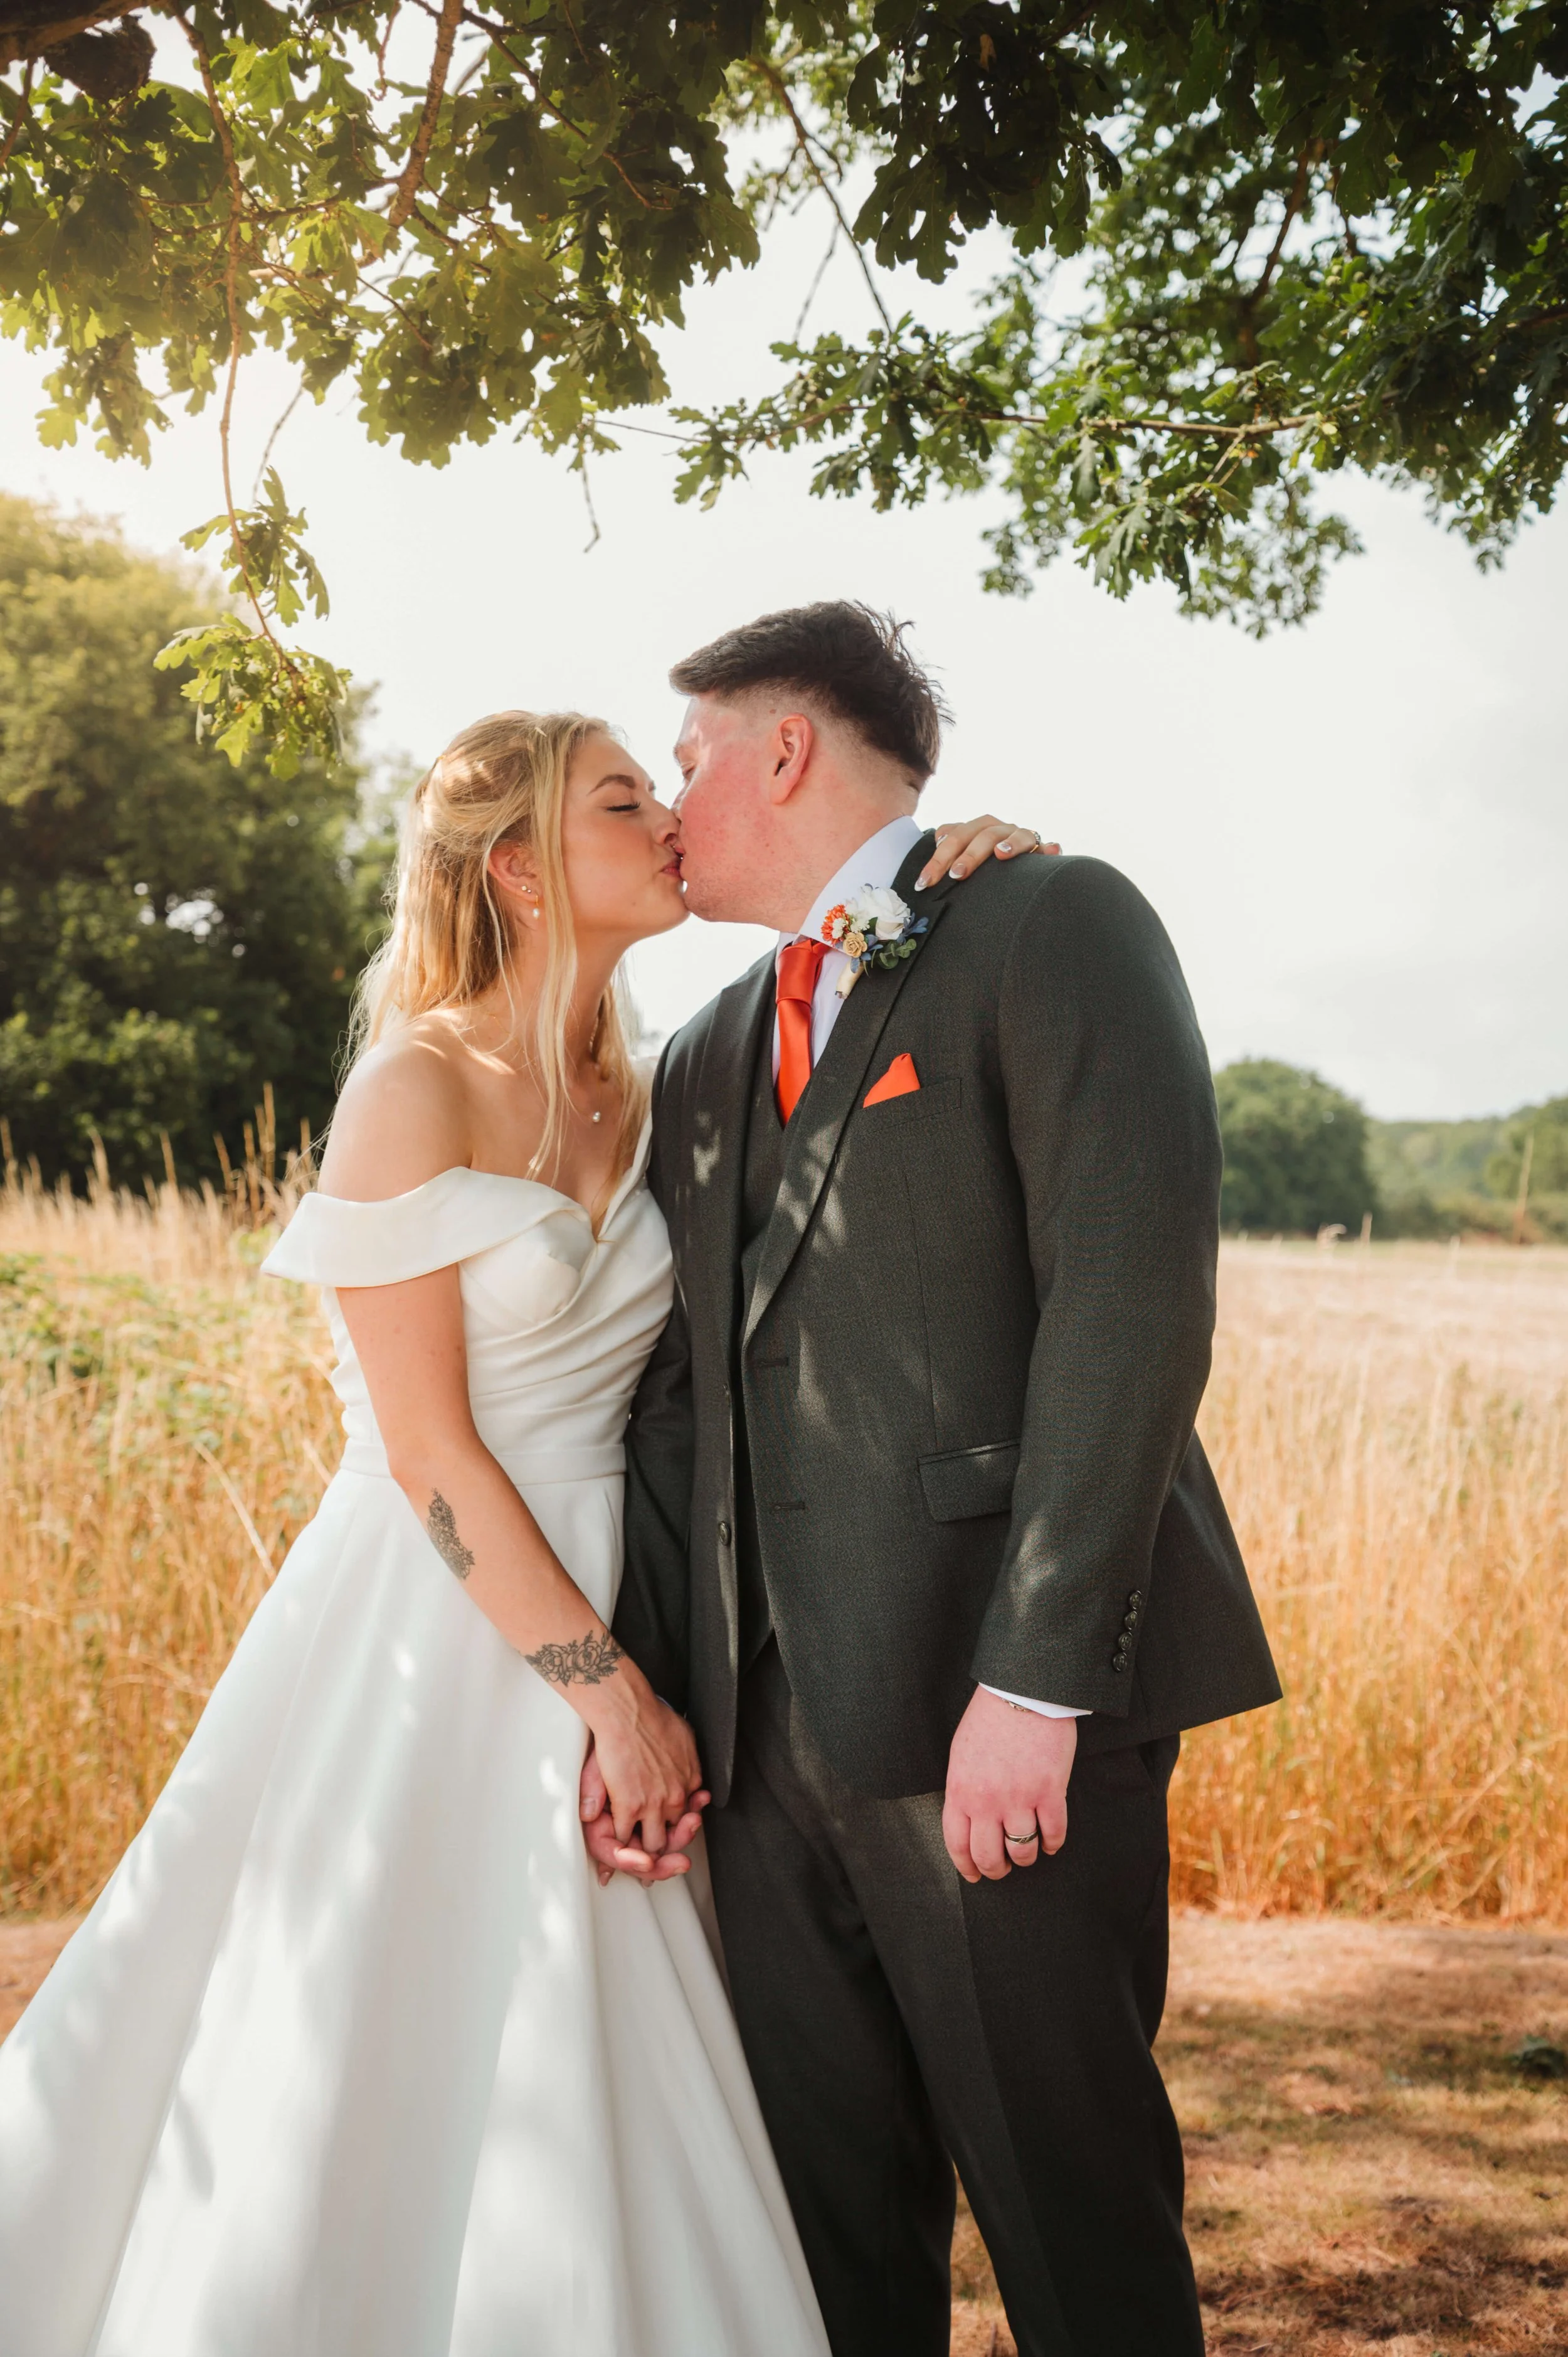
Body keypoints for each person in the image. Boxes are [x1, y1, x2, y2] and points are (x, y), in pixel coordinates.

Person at [0, 698, 1039, 2357]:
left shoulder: (660, 1078)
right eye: (626, 800)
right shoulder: (411, 1087)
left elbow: (851, 1003)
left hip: (613, 1593)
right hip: (424, 1624)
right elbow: (423, 1453)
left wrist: (955, 873)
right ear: (521, 872)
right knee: (362, 2039)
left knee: (598, 2053)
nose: (669, 818)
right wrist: (609, 1697)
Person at [598, 602, 1283, 2357]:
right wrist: (659, 1705)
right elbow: (681, 1411)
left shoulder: (1052, 923)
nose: (671, 804)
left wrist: (1035, 1678)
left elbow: (1127, 1306)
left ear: (784, 750)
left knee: (1071, 2216)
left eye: (683, 762)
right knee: (826, 2240)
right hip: (758, 1765)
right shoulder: (696, 1056)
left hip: (993, 1720)